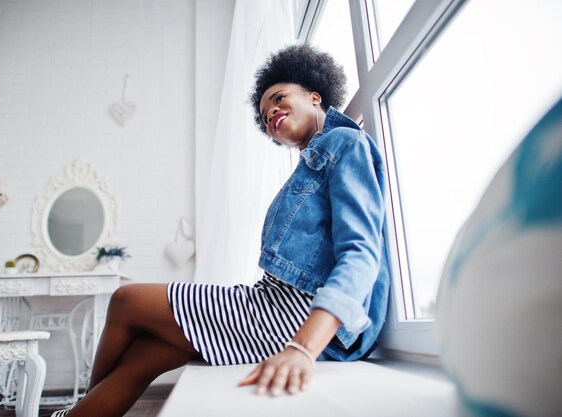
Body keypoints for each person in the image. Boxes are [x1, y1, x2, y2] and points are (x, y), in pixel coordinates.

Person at [51, 43, 389, 417]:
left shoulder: (344, 143)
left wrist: (303, 348)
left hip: (299, 316)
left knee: (125, 300)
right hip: (276, 306)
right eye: (264, 116)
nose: (272, 113)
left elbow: (361, 253)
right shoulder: (311, 163)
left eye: (279, 99)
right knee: (146, 356)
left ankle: (74, 409)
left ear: (314, 96)